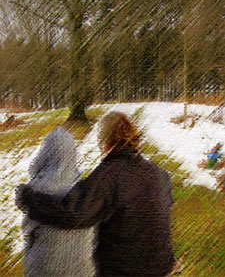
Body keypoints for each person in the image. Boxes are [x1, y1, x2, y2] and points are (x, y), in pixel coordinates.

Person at [16, 111, 175, 277]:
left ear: (105, 139)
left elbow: (73, 214)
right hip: (162, 266)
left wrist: (29, 198)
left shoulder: (110, 175)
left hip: (125, 271)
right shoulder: (160, 174)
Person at [18, 126, 96, 277]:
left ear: (45, 153)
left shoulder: (36, 189)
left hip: (45, 268)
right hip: (82, 268)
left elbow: (28, 232)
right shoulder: (85, 188)